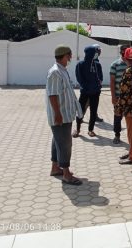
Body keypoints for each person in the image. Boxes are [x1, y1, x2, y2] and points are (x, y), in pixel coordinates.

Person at [46, 45, 83, 185]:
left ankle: (55, 168)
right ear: (65, 56)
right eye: (69, 55)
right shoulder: (55, 72)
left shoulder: (62, 71)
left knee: (57, 140)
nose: (70, 58)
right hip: (61, 114)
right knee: (65, 143)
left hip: (65, 113)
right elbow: (53, 95)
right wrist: (57, 114)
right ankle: (66, 174)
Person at [74, 45, 103, 137]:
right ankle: (77, 129)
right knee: (80, 111)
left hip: (95, 92)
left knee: (93, 111)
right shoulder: (80, 64)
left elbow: (100, 77)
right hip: (85, 92)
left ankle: (91, 129)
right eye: (95, 53)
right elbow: (79, 78)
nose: (96, 54)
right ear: (90, 53)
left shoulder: (97, 65)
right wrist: (86, 87)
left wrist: (97, 87)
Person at [110, 44, 128, 144]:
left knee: (131, 117)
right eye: (126, 51)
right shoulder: (115, 64)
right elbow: (112, 82)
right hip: (118, 96)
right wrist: (113, 97)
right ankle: (117, 135)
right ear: (122, 52)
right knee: (118, 116)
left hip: (130, 97)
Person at [92, 43, 104, 123]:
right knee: (87, 104)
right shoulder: (93, 61)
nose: (100, 52)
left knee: (93, 104)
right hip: (92, 87)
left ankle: (94, 116)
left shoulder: (95, 61)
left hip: (95, 87)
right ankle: (80, 118)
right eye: (99, 51)